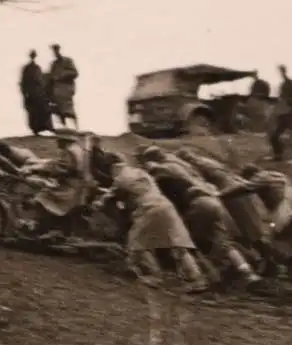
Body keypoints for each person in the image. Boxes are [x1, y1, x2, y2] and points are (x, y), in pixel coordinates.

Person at [93, 158, 208, 293]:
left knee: (137, 241)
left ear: (114, 168)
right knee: (178, 244)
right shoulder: (141, 172)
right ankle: (197, 278)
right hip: (165, 205)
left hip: (148, 208)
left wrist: (98, 203)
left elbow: (110, 195)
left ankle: (154, 275)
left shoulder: (120, 177)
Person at [143, 160, 262, 288]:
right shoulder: (183, 177)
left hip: (197, 206)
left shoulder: (162, 183)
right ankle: (247, 273)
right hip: (214, 204)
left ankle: (207, 277)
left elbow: (175, 206)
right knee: (223, 243)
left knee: (191, 242)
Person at [20, 128, 87, 238]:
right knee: (47, 194)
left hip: (70, 187)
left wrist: (38, 170)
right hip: (76, 185)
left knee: (42, 198)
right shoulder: (76, 149)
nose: (57, 142)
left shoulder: (69, 151)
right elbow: (59, 164)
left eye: (59, 139)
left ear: (64, 140)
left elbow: (61, 167)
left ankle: (42, 228)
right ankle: (50, 228)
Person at [20, 50, 54, 135]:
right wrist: (24, 94)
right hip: (31, 92)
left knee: (41, 110)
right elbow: (24, 82)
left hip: (38, 92)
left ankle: (45, 128)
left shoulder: (37, 67)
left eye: (34, 55)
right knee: (33, 112)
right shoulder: (27, 68)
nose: (33, 57)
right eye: (32, 55)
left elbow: (41, 81)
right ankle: (36, 130)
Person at [47, 44, 79, 129]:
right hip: (57, 91)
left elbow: (75, 73)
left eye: (56, 50)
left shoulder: (68, 61)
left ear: (59, 50)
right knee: (59, 110)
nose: (55, 52)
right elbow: (51, 77)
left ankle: (76, 127)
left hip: (66, 89)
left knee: (69, 110)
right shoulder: (54, 64)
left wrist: (62, 75)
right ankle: (64, 128)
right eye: (54, 51)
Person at [268, 64, 292, 161]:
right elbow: (282, 99)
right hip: (284, 114)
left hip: (288, 114)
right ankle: (278, 155)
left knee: (275, 136)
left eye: (281, 71)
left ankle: (279, 154)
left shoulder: (288, 83)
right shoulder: (284, 84)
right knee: (274, 137)